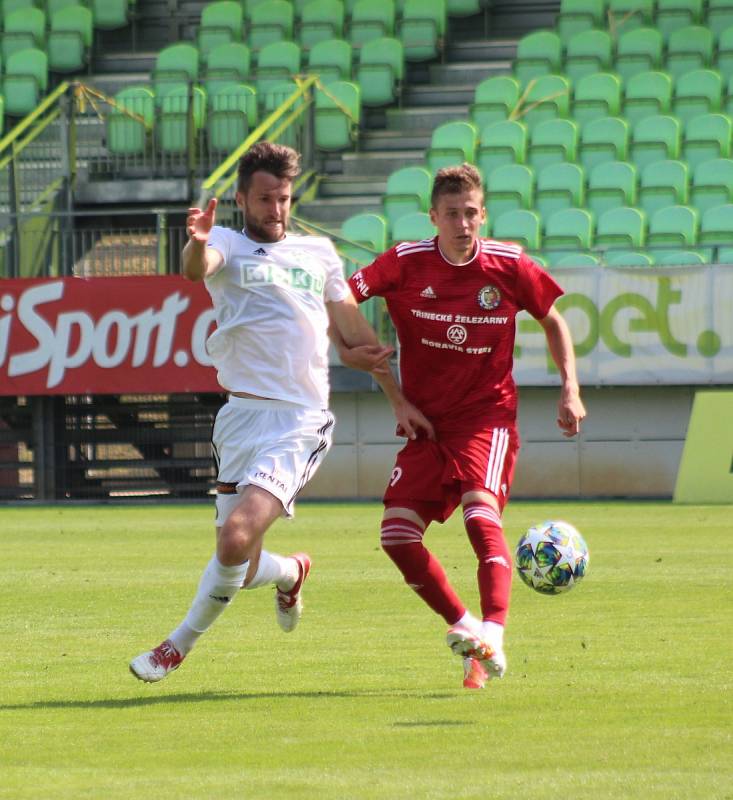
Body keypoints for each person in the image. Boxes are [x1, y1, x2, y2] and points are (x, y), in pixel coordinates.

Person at [130, 141, 432, 683]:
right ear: (243, 199)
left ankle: (175, 647)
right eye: (266, 198)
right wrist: (197, 243)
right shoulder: (223, 241)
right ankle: (291, 571)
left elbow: (357, 336)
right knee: (241, 567)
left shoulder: (317, 254)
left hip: (299, 419)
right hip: (240, 419)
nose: (277, 209)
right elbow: (196, 270)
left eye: (285, 198)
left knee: (235, 537)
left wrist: (397, 399)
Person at [344, 163, 586, 689]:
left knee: (481, 516)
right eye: (451, 214)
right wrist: (369, 373)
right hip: (426, 421)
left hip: (486, 417)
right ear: (433, 217)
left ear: (483, 214)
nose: (462, 223)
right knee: (396, 536)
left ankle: (493, 635)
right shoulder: (404, 263)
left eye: (470, 212)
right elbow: (339, 301)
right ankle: (464, 627)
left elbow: (553, 320)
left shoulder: (509, 264)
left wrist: (570, 387)